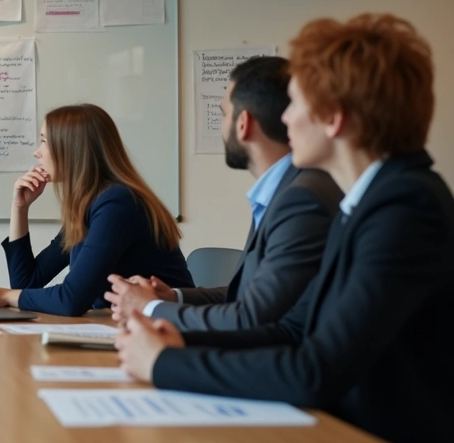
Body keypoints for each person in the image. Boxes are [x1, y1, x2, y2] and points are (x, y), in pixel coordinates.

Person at [115, 13, 454, 443]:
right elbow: (294, 329)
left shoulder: (405, 208)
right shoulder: (370, 200)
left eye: (294, 103)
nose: (286, 118)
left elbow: (314, 370)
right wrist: (174, 341)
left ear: (333, 118)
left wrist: (163, 365)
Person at [105, 56, 341, 330]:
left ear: (243, 123)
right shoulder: (286, 189)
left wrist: (151, 308)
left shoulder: (299, 198)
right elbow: (247, 295)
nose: (221, 125)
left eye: (223, 114)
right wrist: (171, 297)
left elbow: (252, 318)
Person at [0, 104, 193, 316]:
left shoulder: (117, 204)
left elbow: (72, 299)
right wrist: (20, 207)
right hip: (123, 326)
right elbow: (27, 283)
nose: (37, 152)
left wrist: (4, 295)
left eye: (44, 141)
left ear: (71, 150)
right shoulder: (90, 204)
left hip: (167, 329)